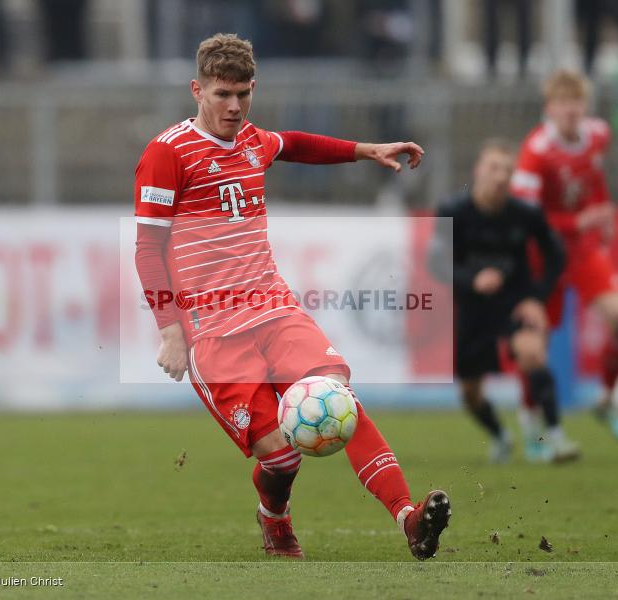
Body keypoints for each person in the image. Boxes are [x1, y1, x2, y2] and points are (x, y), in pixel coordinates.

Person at [133, 33, 450, 560]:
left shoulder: (254, 141)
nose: (235, 107)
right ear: (197, 90)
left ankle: (409, 519)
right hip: (213, 332)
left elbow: (295, 144)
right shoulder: (167, 154)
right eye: (222, 95)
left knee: (337, 400)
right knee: (280, 460)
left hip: (272, 308)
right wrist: (170, 330)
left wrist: (365, 150)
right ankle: (273, 517)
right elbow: (148, 249)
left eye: (244, 94)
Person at [511, 70, 618, 443]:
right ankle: (531, 417)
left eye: (577, 102)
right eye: (563, 103)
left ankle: (606, 401)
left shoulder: (598, 135)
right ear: (549, 108)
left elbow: (595, 179)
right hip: (545, 253)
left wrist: (606, 209)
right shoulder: (536, 152)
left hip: (583, 250)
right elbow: (526, 218)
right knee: (536, 345)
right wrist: (578, 220)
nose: (571, 110)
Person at [430, 139, 578, 464]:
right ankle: (500, 435)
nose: (501, 177)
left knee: (532, 354)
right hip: (473, 308)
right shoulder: (453, 211)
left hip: (515, 302)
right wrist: (473, 279)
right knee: (470, 394)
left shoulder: (526, 214)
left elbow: (556, 256)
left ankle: (555, 436)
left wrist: (537, 298)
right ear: (478, 171)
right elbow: (437, 264)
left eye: (507, 171)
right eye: (494, 168)